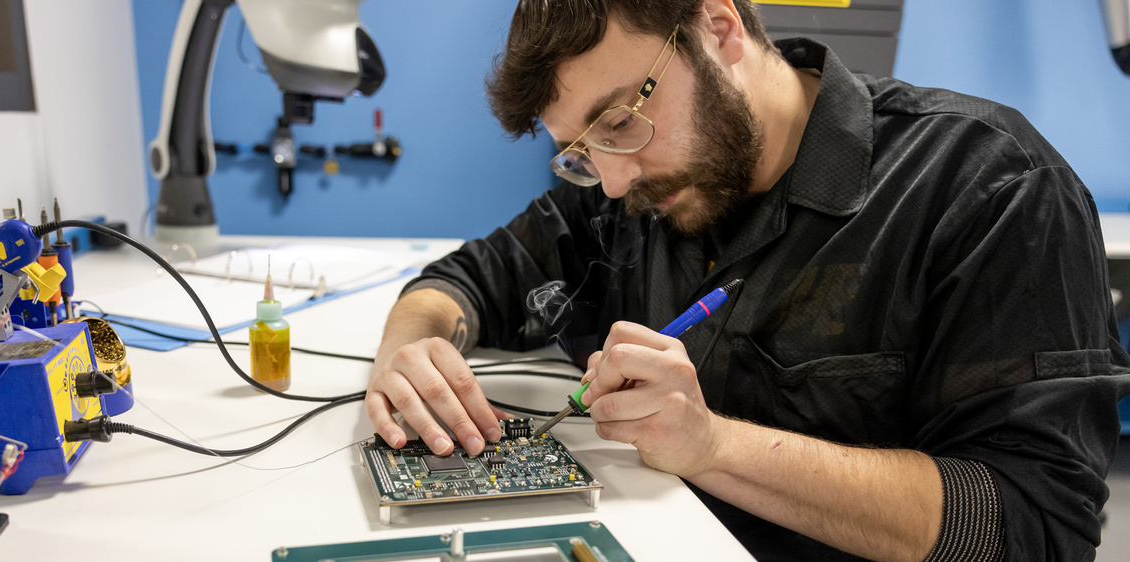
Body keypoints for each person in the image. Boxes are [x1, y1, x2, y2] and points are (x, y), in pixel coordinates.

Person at [366, 0, 1130, 559]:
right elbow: (468, 278)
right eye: (580, 152)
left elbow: (1032, 526)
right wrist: (411, 347)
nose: (611, 181)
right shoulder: (634, 191)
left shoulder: (986, 186)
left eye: (621, 120)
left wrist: (711, 446)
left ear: (719, 28)